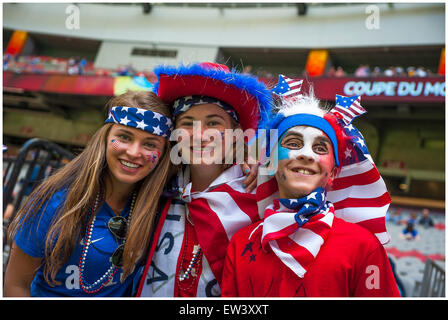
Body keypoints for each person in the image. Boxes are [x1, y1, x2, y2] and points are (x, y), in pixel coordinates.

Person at [221, 89, 401, 297]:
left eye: (320, 148)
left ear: (332, 173)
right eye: (294, 144)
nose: (306, 154)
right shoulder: (241, 242)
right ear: (269, 163)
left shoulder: (364, 246)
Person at [4, 90, 173, 297]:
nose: (133, 152)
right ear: (104, 138)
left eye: (149, 144)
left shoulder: (162, 208)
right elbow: (16, 285)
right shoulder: (54, 201)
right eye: (124, 137)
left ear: (163, 153)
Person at [136, 62, 272, 297]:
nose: (200, 136)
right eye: (187, 123)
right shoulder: (149, 187)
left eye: (213, 123)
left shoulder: (262, 199)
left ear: (235, 133)